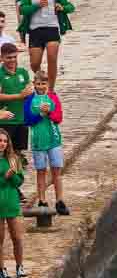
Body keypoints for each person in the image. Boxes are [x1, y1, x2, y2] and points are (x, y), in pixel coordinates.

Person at [19, 0, 74, 88]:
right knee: (34, 63)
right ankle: (42, 78)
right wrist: (36, 6)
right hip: (35, 30)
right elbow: (23, 9)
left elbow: (71, 6)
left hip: (52, 28)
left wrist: (62, 7)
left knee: (52, 57)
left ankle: (51, 89)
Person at [24, 72, 65, 215]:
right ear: (34, 84)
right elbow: (28, 120)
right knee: (40, 171)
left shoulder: (53, 97)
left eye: (43, 84)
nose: (41, 87)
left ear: (48, 84)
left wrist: (49, 113)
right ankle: (42, 200)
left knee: (56, 171)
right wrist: (40, 115)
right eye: (38, 84)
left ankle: (60, 200)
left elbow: (59, 118)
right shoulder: (29, 99)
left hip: (54, 140)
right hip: (38, 142)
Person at [0, 43, 32, 162]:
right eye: (9, 57)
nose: (12, 60)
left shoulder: (22, 72)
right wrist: (19, 96)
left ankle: (17, 177)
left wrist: (29, 92)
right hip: (5, 121)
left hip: (21, 119)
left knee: (19, 152)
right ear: (2, 58)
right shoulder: (0, 74)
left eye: (14, 57)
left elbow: (28, 90)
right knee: (5, 152)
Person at [0, 127, 24, 278]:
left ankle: (19, 266)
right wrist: (4, 178)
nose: (2, 143)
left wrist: (12, 176)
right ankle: (1, 270)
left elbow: (19, 181)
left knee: (17, 237)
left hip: (12, 202)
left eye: (4, 141)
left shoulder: (14, 159)